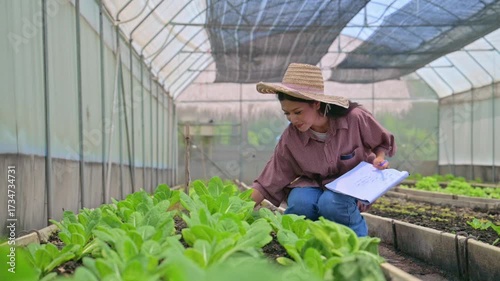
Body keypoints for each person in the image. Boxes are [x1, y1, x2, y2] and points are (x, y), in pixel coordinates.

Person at [250, 63, 396, 237]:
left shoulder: (354, 118)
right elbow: (269, 180)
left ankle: (360, 247)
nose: (293, 119)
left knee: (331, 203)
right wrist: (236, 210)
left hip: (348, 187)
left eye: (298, 112)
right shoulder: (291, 138)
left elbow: (381, 141)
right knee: (300, 203)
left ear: (316, 104)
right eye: (287, 114)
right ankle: (308, 245)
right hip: (312, 184)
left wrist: (379, 158)